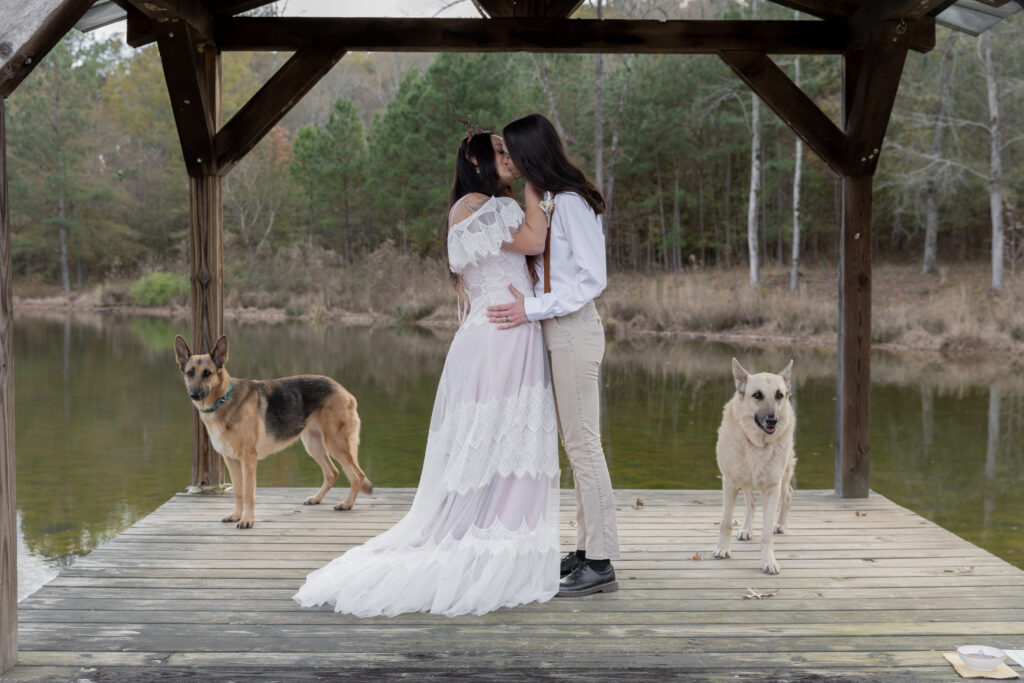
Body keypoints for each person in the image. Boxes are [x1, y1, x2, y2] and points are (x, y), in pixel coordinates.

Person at [294, 127, 560, 617]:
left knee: (493, 437)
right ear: (477, 162)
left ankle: (491, 527)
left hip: (487, 334)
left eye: (510, 151)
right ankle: (499, 534)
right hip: (505, 334)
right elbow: (534, 239)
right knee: (505, 436)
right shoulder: (493, 208)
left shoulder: (460, 212)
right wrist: (538, 187)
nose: (510, 157)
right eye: (499, 152)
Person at [486, 113, 620, 598]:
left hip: (573, 329)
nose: (513, 165)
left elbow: (591, 280)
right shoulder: (548, 200)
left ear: (533, 153)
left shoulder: (571, 203)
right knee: (576, 444)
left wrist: (532, 308)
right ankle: (587, 548)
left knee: (584, 446)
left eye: (516, 155)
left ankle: (601, 562)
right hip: (557, 330)